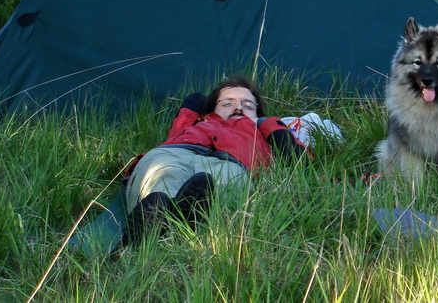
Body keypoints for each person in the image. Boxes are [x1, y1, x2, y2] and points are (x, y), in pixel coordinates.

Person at [122, 76, 307, 240]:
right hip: (178, 151)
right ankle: (152, 225)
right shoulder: (198, 121)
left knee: (221, 182)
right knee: (164, 175)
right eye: (227, 103)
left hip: (233, 162)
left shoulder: (262, 126)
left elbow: (299, 157)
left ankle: (184, 223)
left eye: (248, 104)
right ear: (211, 109)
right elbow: (188, 110)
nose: (238, 107)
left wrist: (270, 125)